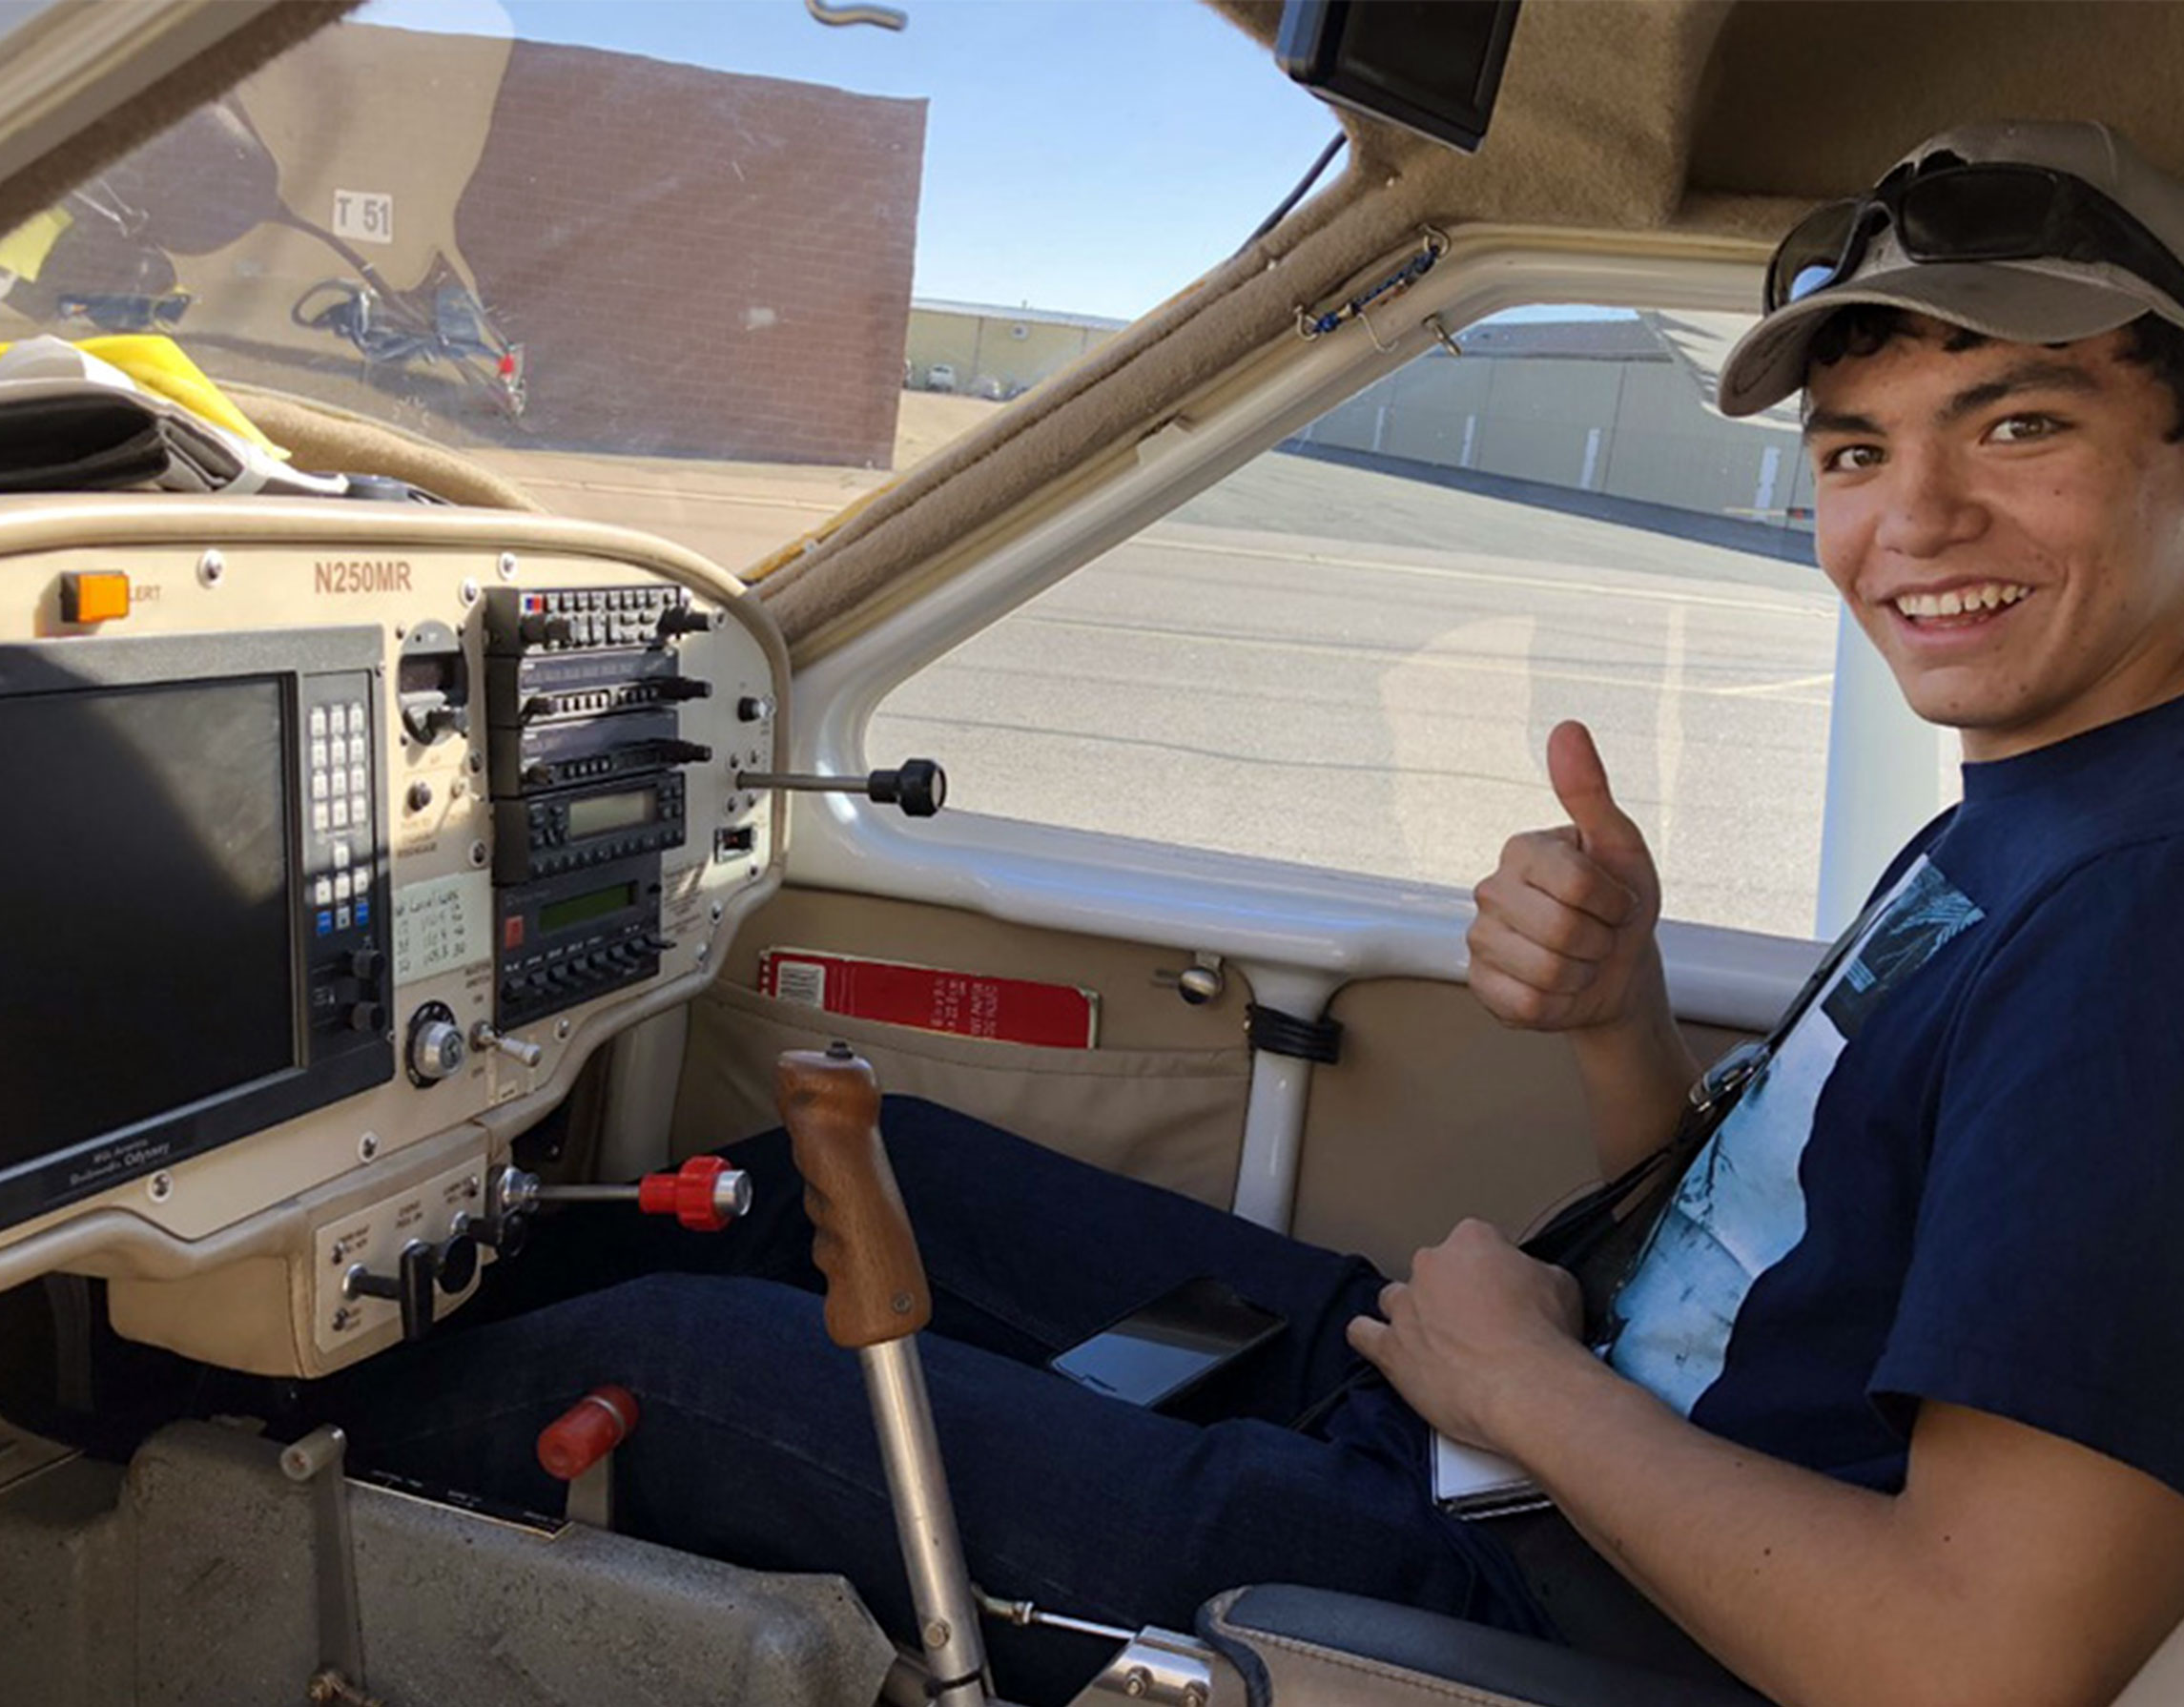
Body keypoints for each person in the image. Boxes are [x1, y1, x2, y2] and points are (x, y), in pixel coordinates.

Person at [310, 117, 2184, 1707]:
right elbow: (1790, 1241)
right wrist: (1618, 1022)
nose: (1910, 519)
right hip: (1489, 1425)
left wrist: (1526, 1390)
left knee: (666, 1373)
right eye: (1854, 449)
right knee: (842, 1185)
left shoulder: (2138, 913)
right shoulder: (2045, 802)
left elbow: (1982, 1661)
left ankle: (175, 1480)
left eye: (2014, 424)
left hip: (1509, 1587)